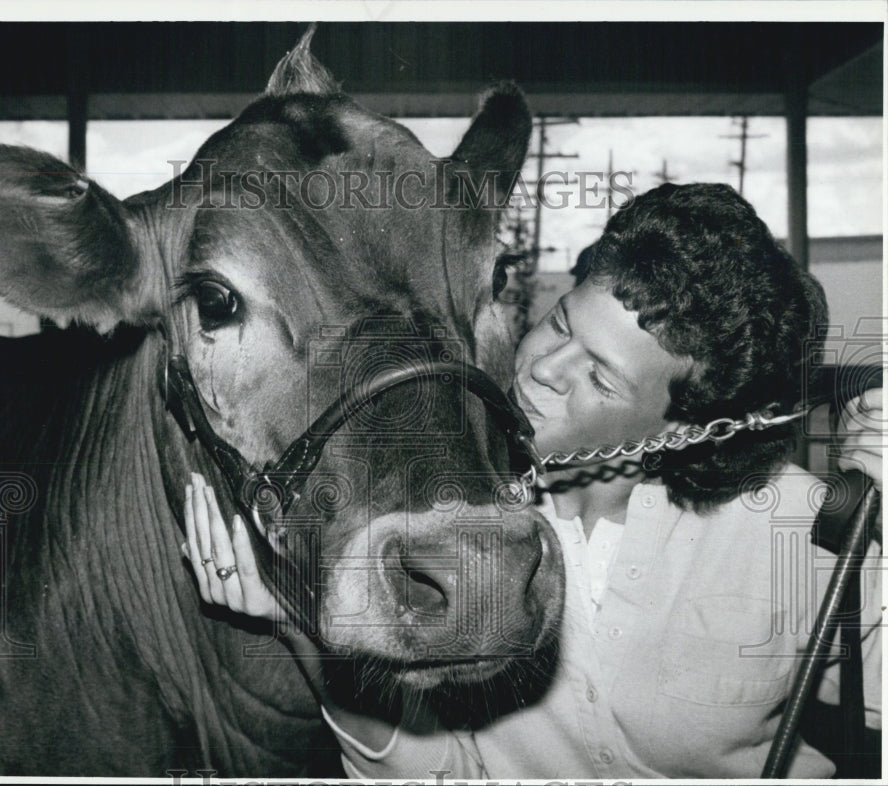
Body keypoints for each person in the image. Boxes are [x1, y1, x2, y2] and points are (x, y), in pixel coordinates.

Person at [181, 183, 883, 779]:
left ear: (677, 430)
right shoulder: (448, 507)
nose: (547, 368)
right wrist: (305, 623)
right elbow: (436, 774)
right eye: (559, 324)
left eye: (600, 377)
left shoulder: (792, 525)